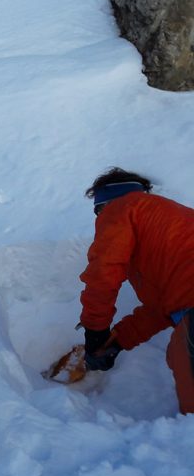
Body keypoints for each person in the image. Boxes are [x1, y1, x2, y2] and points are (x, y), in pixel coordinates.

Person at [77, 167, 194, 413]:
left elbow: (103, 272)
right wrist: (116, 343)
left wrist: (95, 330)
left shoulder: (122, 208)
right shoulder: (169, 228)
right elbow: (159, 309)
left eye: (97, 211)